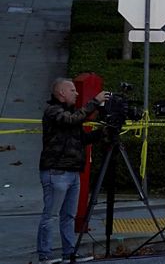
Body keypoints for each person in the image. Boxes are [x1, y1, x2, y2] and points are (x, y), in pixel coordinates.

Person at [38, 78, 107, 264]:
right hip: (56, 171)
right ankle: (44, 254)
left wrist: (103, 132)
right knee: (50, 215)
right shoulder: (53, 111)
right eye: (73, 90)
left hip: (72, 172)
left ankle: (69, 253)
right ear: (61, 92)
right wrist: (94, 101)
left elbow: (80, 139)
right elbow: (70, 121)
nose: (76, 94)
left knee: (68, 215)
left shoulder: (70, 113)